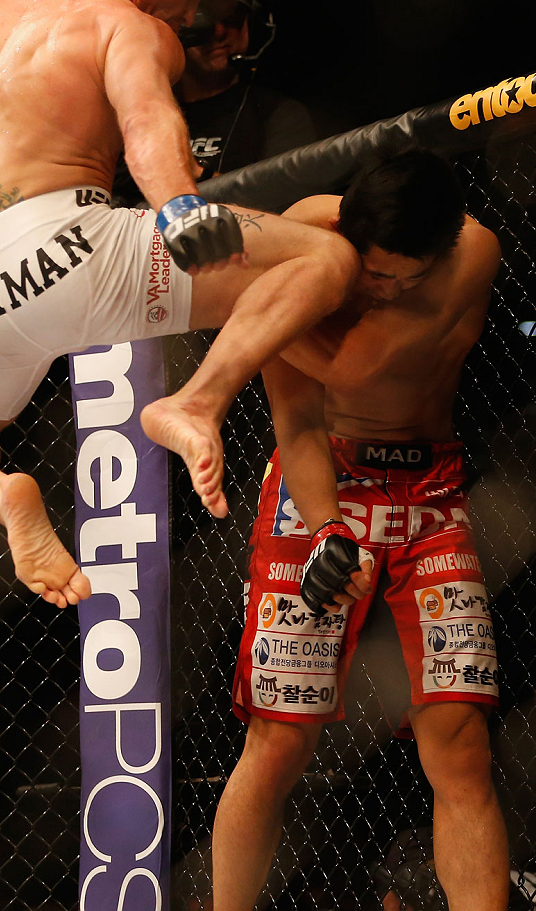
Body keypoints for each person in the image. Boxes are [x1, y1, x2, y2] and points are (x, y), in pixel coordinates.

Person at [0, 0, 359, 610]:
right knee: (325, 256)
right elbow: (149, 120)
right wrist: (180, 210)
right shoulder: (130, 27)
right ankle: (195, 401)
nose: (188, 13)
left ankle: (3, 495)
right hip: (74, 248)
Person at [212, 150, 510, 911]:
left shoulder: (470, 253)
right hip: (320, 481)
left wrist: (254, 306)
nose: (377, 289)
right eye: (368, 273)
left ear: (437, 252)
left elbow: (354, 369)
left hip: (428, 492)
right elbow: (300, 416)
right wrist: (326, 531)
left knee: (461, 746)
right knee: (279, 741)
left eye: (395, 279)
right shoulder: (306, 236)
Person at [111, 0, 317, 205]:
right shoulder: (133, 108)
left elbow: (292, 206)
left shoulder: (279, 116)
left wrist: (195, 172)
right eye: (204, 18)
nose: (219, 32)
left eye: (232, 19)